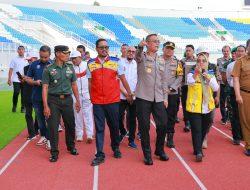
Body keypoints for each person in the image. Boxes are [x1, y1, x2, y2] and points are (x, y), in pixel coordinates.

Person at [87, 39, 132, 166]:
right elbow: (90, 82)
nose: (104, 49)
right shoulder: (90, 63)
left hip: (112, 101)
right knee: (99, 128)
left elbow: (123, 79)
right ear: (96, 48)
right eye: (101, 47)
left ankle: (115, 147)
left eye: (106, 47)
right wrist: (91, 97)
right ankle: (100, 154)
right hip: (97, 102)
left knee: (114, 126)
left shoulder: (116, 62)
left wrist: (129, 93)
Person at [42, 45, 81, 162]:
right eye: (66, 53)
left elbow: (74, 85)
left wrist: (78, 101)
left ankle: (71, 147)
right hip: (53, 100)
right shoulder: (48, 69)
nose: (68, 55)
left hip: (68, 100)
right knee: (53, 127)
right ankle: (54, 152)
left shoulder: (70, 67)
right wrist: (45, 106)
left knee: (70, 124)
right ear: (58, 53)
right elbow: (44, 88)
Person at [135, 34, 169, 165]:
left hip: (159, 97)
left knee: (163, 124)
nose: (157, 43)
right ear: (147, 43)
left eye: (158, 41)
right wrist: (139, 47)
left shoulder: (161, 60)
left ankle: (159, 150)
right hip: (143, 96)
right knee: (144, 127)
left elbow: (164, 80)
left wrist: (165, 97)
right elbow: (137, 56)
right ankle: (147, 154)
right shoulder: (142, 57)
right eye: (155, 41)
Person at [186, 53, 219, 162]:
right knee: (196, 129)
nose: (201, 63)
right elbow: (190, 83)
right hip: (194, 107)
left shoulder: (210, 74)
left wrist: (208, 78)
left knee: (204, 129)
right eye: (199, 61)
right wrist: (196, 73)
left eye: (203, 61)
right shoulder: (191, 73)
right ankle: (199, 151)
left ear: (207, 63)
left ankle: (197, 148)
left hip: (207, 107)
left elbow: (216, 88)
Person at [26, 46, 52, 149]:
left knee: (50, 119)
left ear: (50, 55)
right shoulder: (34, 64)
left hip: (50, 98)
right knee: (40, 120)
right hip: (36, 97)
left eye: (46, 57)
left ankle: (49, 139)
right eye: (42, 57)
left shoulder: (53, 65)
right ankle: (44, 135)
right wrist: (35, 82)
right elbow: (27, 79)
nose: (44, 59)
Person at [70, 51, 94, 143]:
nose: (73, 60)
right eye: (72, 58)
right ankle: (79, 134)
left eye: (75, 58)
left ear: (80, 57)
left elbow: (91, 80)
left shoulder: (87, 65)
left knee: (88, 114)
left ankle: (89, 134)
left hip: (86, 93)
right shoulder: (70, 68)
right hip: (75, 94)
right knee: (77, 113)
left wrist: (91, 93)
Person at [162, 41, 183, 148]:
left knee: (171, 116)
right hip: (159, 93)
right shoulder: (157, 60)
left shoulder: (177, 62)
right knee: (160, 116)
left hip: (172, 93)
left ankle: (170, 137)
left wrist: (171, 88)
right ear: (163, 49)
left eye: (171, 48)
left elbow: (180, 77)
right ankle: (161, 134)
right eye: (167, 48)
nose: (169, 50)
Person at [232, 39, 250, 156]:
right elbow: (236, 79)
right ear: (248, 47)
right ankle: (249, 145)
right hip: (245, 94)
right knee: (246, 121)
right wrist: (238, 95)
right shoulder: (240, 61)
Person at [119, 46, 138, 148]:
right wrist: (126, 94)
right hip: (122, 96)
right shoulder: (120, 63)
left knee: (132, 119)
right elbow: (117, 80)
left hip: (134, 97)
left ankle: (131, 140)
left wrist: (133, 94)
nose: (131, 53)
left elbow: (139, 80)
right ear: (125, 52)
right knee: (118, 117)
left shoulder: (137, 64)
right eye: (129, 51)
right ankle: (122, 131)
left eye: (133, 51)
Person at [226, 45, 246, 145]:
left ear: (245, 52)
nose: (240, 53)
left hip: (246, 92)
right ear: (235, 53)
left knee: (245, 115)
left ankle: (244, 135)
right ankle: (236, 137)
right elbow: (229, 80)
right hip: (234, 92)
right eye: (238, 51)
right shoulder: (230, 66)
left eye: (242, 51)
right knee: (235, 115)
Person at [22, 52, 39, 140]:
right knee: (28, 114)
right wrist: (23, 80)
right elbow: (28, 80)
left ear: (35, 58)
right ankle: (31, 133)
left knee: (37, 113)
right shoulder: (25, 68)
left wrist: (28, 79)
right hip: (27, 93)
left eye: (30, 60)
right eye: (28, 60)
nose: (29, 61)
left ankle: (36, 130)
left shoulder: (41, 68)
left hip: (36, 93)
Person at [180, 45, 196, 132]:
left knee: (193, 103)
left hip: (194, 86)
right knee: (185, 104)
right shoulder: (182, 61)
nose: (188, 52)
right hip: (185, 86)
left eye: (189, 50)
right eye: (186, 50)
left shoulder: (197, 61)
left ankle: (193, 121)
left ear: (193, 51)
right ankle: (187, 122)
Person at [7, 45, 28, 113]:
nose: (21, 51)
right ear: (17, 51)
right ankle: (14, 106)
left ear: (24, 51)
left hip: (24, 79)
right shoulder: (14, 59)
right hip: (16, 79)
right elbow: (11, 69)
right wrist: (9, 79)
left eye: (22, 49)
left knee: (24, 94)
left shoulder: (27, 59)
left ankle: (23, 107)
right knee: (16, 92)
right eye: (19, 49)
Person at [217, 45, 232, 125]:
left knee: (230, 101)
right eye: (224, 51)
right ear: (222, 52)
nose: (226, 52)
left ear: (229, 51)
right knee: (222, 102)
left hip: (230, 84)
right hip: (222, 84)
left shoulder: (232, 60)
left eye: (227, 51)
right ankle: (224, 117)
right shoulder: (219, 60)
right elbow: (219, 71)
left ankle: (229, 117)